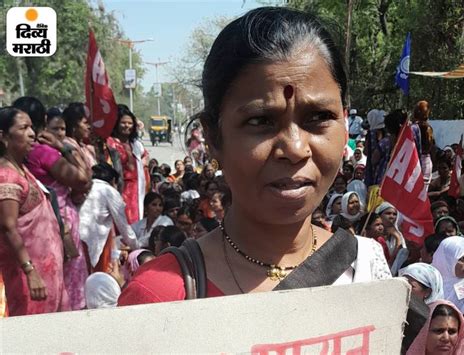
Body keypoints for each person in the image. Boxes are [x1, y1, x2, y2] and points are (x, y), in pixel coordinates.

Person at [118, 6, 391, 306]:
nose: (295, 148)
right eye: (261, 121)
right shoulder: (160, 295)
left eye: (318, 117)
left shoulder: (366, 270)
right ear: (212, 137)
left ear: (344, 122)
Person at [15, 98, 91, 310]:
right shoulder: (42, 152)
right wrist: (64, 148)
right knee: (67, 282)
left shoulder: (16, 157)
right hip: (57, 223)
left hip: (34, 227)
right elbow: (83, 180)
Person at [0, 107, 69, 315]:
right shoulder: (6, 177)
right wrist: (30, 271)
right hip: (29, 280)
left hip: (48, 276)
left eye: (31, 127)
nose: (32, 133)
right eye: (23, 128)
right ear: (4, 137)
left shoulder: (22, 170)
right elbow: (8, 227)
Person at [79, 163, 139, 272]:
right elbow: (123, 226)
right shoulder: (109, 191)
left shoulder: (81, 186)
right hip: (91, 242)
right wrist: (137, 248)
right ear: (113, 181)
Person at [107, 105, 149, 224]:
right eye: (123, 122)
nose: (127, 126)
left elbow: (145, 155)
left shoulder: (135, 144)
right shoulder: (110, 143)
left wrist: (143, 164)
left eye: (130, 123)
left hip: (138, 189)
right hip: (122, 190)